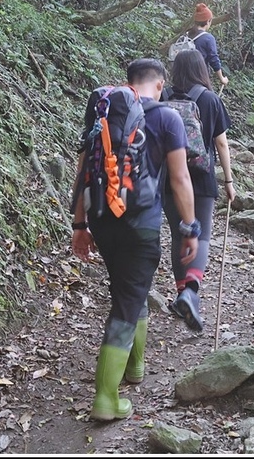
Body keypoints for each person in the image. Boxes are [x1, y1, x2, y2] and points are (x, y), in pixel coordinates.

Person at [70, 58, 201, 422]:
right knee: (127, 302)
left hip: (101, 220)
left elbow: (83, 170)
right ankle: (106, 400)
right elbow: (180, 180)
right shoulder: (168, 117)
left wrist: (79, 225)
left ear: (130, 83)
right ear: (160, 85)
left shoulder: (105, 113)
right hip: (141, 223)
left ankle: (134, 367)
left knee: (131, 290)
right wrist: (190, 229)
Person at [161, 49, 236, 332]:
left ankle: (182, 294)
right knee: (200, 235)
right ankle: (190, 291)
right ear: (202, 70)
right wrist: (228, 181)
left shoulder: (163, 96)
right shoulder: (209, 98)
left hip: (168, 178)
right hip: (201, 179)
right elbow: (221, 144)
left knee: (179, 233)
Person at [188, 3, 229, 89]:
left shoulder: (187, 35)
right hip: (199, 79)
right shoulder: (208, 38)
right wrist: (222, 79)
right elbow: (213, 59)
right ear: (208, 21)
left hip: (183, 77)